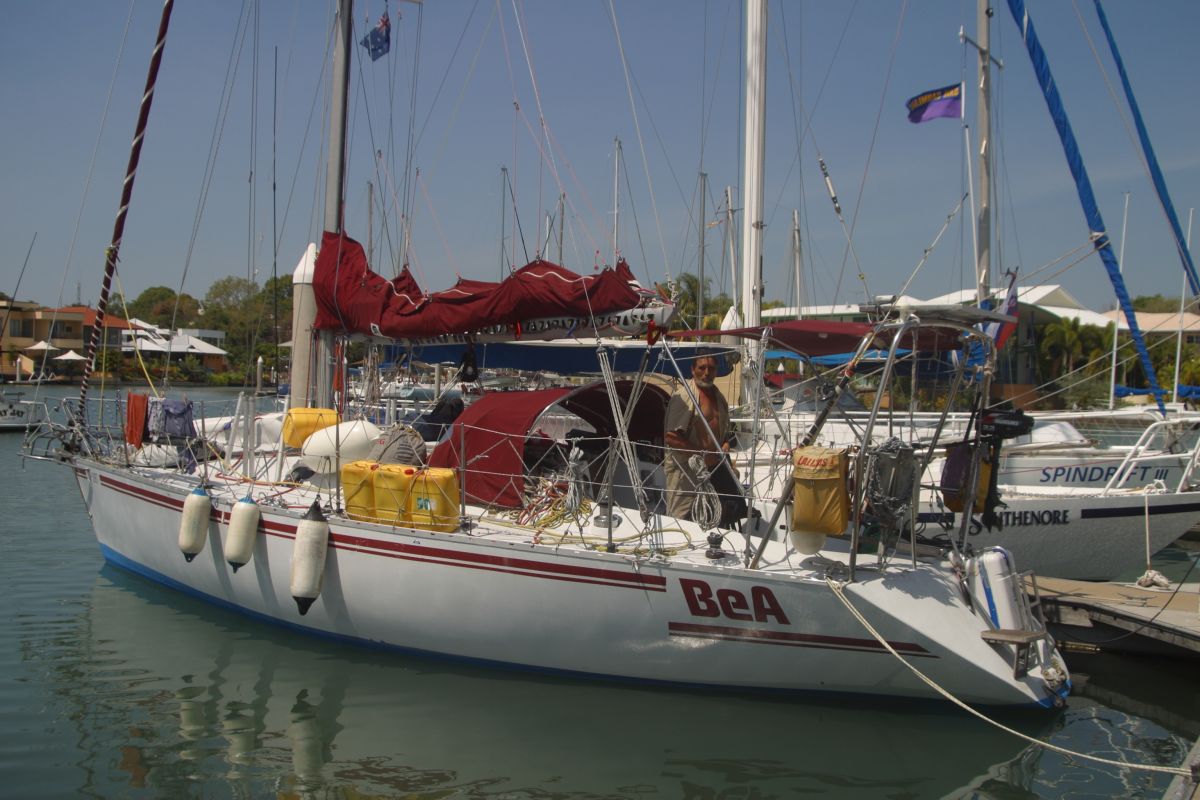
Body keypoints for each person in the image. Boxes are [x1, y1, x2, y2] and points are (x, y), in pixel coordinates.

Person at [663, 354, 733, 521]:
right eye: (702, 368)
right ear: (693, 370)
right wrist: (702, 454)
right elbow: (671, 437)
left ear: (716, 371)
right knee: (680, 518)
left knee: (716, 514)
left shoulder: (719, 397)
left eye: (711, 368)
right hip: (686, 472)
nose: (706, 373)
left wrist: (725, 444)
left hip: (714, 469)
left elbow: (724, 432)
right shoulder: (684, 396)